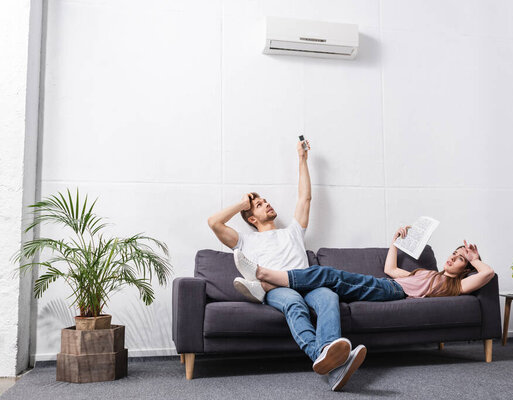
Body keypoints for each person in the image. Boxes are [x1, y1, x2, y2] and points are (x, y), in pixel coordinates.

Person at [207, 140, 365, 392]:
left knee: (328, 296)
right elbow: (214, 222)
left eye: (266, 201)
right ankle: (324, 356)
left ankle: (328, 358)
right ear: (251, 217)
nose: (267, 204)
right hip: (277, 287)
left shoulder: (293, 231)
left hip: (308, 282)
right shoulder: (245, 239)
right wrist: (242, 203)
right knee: (293, 302)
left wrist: (302, 159)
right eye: (259, 205)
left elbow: (305, 197)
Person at [232, 225, 495, 307]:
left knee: (328, 274)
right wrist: (395, 241)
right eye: (454, 253)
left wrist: (473, 258)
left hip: (393, 292)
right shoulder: (428, 273)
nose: (452, 258)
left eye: (459, 259)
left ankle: (261, 272)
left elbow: (488, 273)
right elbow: (392, 270)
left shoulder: (456, 285)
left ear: (465, 268)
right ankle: (264, 286)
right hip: (388, 283)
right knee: (325, 280)